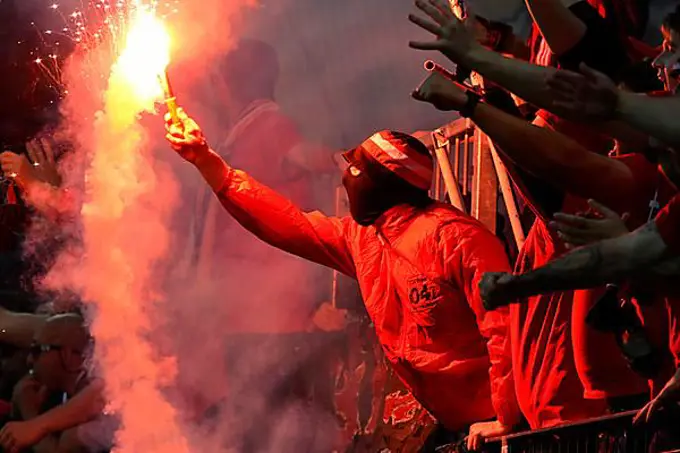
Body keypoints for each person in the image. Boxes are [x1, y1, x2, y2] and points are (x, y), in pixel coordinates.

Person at [165, 110, 521, 451]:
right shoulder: (363, 238)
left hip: (491, 427)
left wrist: (505, 416)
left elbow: (505, 327)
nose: (345, 177)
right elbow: (288, 224)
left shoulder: (456, 238)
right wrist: (208, 162)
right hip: (441, 420)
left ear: (382, 184)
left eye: (354, 169)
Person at [0, 314, 112, 453]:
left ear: (68, 355)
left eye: (38, 350)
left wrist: (30, 416)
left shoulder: (114, 392)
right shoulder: (54, 396)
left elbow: (60, 448)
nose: (29, 360)